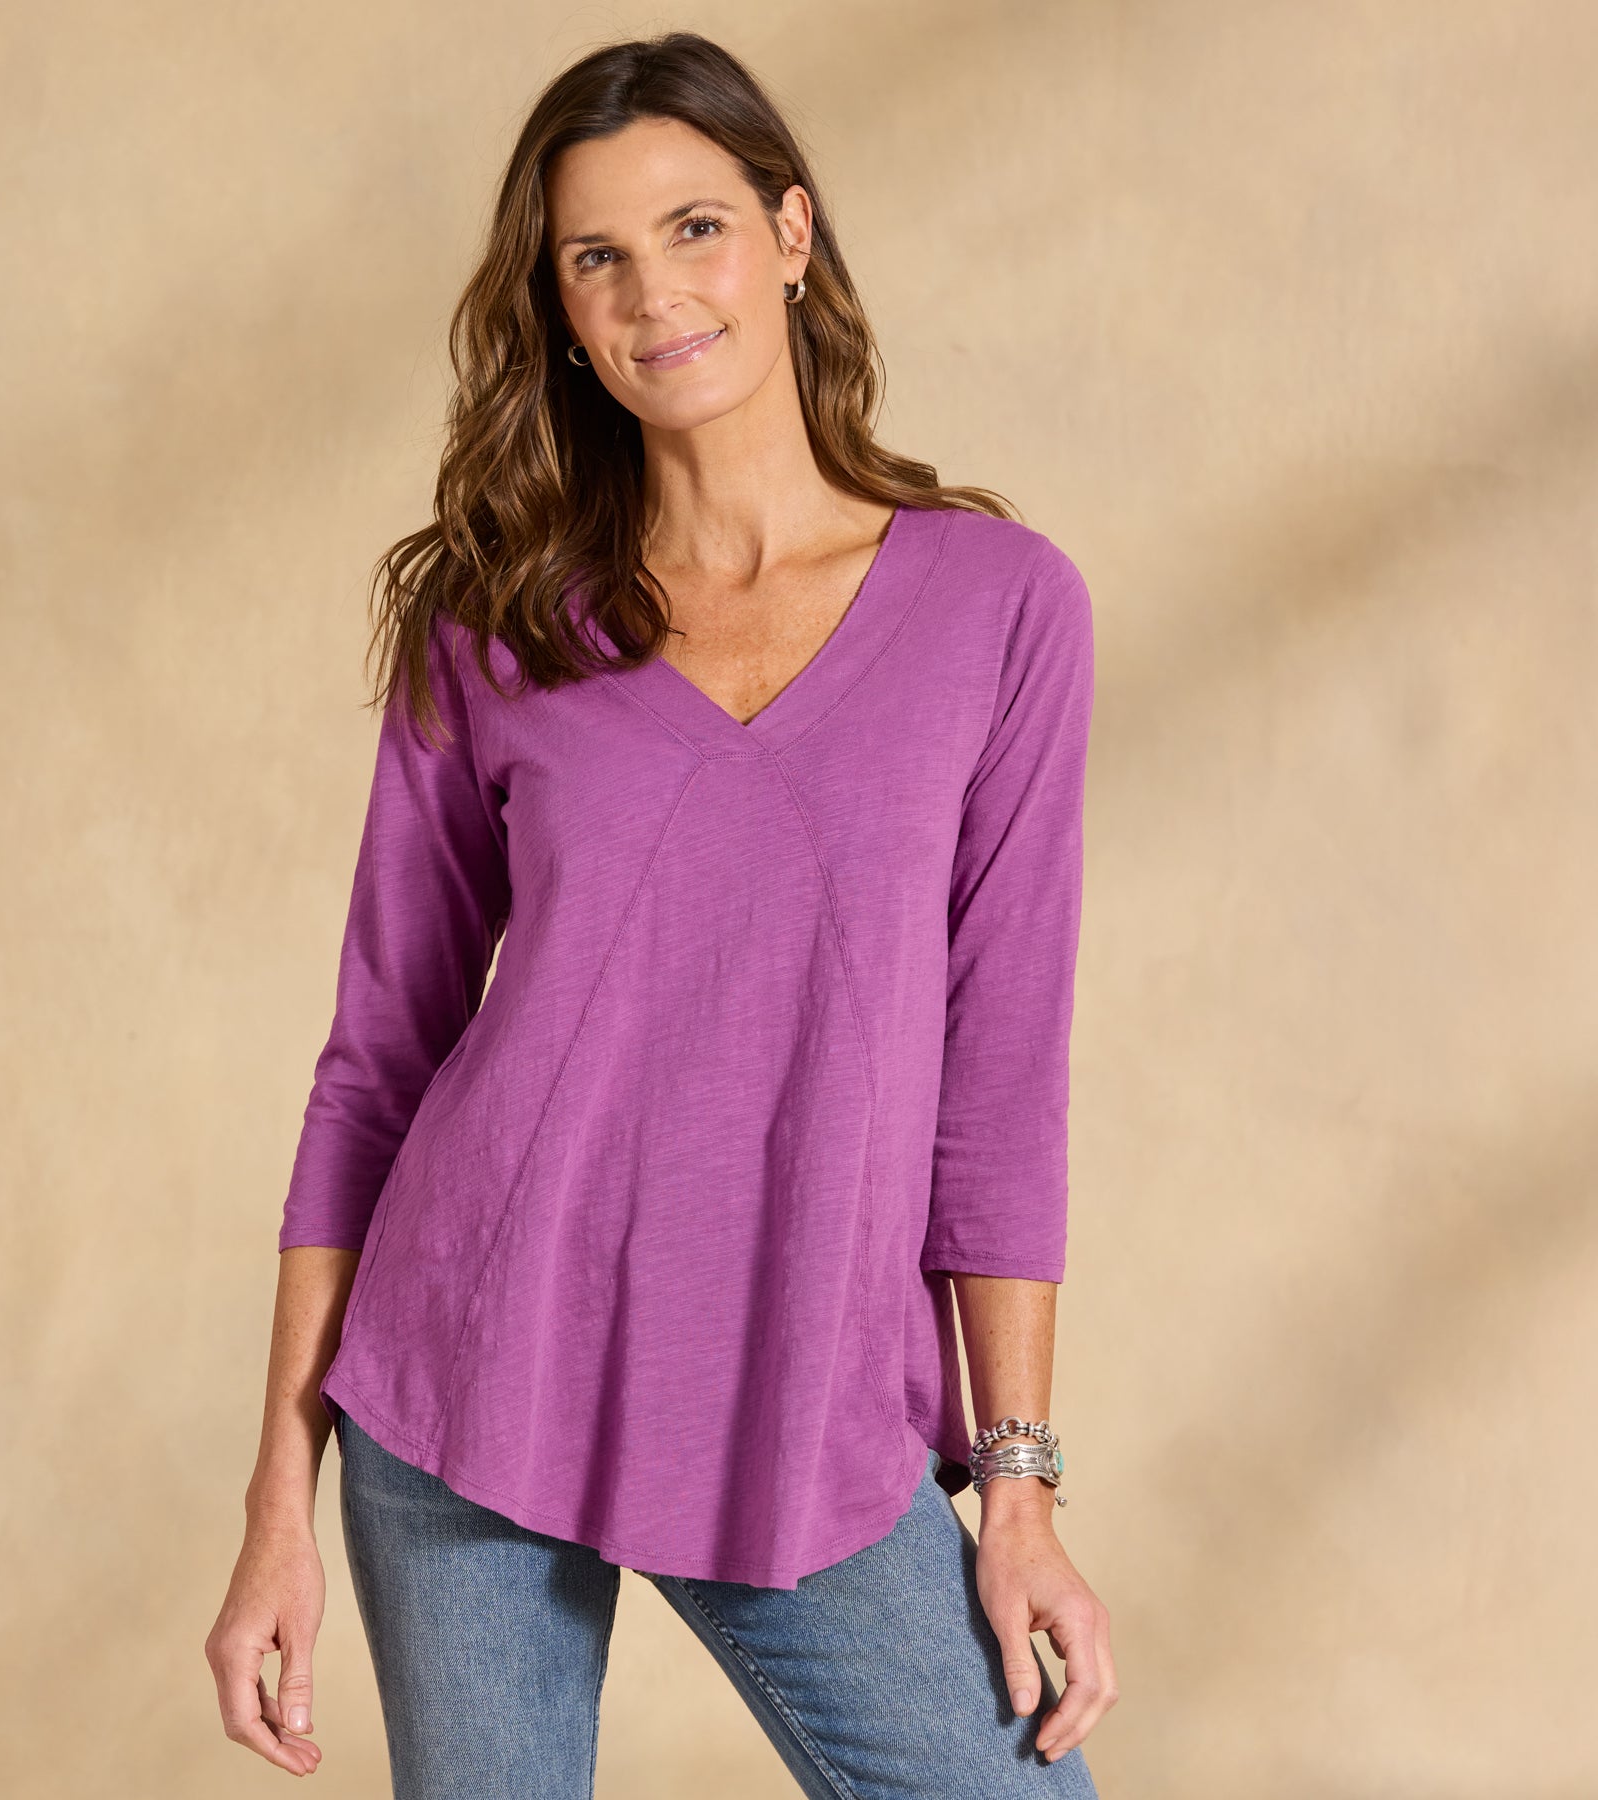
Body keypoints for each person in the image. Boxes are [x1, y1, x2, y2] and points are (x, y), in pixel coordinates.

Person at [206, 29, 1118, 1798]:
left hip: (799, 1403)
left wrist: (1019, 1486)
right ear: (558, 309)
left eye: (695, 227)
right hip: (467, 1374)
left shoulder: (1000, 609)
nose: (654, 294)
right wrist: (274, 1506)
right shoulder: (494, 616)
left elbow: (1001, 1086)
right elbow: (377, 1063)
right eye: (596, 257)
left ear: (792, 236)